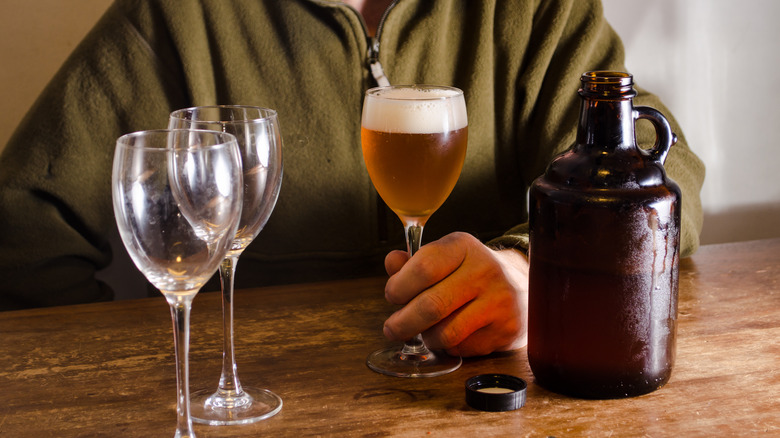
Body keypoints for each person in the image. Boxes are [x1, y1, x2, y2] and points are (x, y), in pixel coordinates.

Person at [0, 0, 704, 357]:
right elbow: (19, 230)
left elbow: (668, 177)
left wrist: (533, 267)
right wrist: (168, 367)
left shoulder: (532, 11)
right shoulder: (178, 15)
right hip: (270, 408)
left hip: (488, 405)